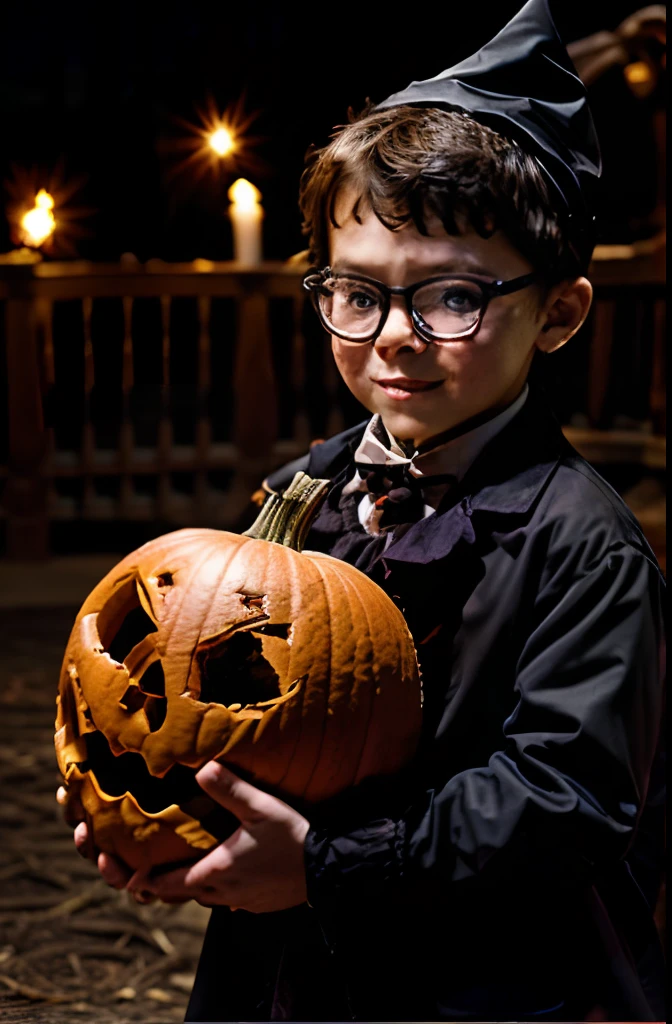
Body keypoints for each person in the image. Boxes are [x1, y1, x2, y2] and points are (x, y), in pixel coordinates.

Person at [64, 1, 666, 1020]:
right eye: (356, 292)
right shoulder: (303, 490)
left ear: (558, 312)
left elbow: (564, 803)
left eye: (452, 298)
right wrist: (173, 819)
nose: (394, 336)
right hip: (292, 966)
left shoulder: (583, 542)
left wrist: (328, 864)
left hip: (484, 975)